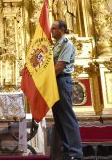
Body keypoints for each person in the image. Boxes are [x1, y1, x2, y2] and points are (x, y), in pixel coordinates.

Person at [51, 20, 83, 160]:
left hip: (62, 80)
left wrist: (43, 78)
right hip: (55, 81)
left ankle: (75, 153)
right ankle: (67, 150)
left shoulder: (66, 44)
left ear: (62, 29)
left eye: (54, 28)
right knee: (58, 118)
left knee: (67, 117)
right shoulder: (56, 45)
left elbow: (59, 66)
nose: (51, 31)